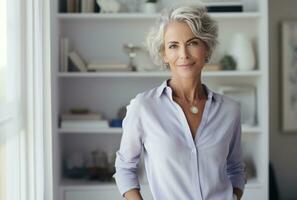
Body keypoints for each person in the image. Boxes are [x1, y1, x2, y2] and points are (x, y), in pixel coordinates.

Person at [113, 3, 245, 200]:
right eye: (173, 46)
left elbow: (236, 168)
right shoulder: (144, 107)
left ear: (206, 49)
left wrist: (234, 196)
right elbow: (124, 169)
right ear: (164, 54)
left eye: (192, 43)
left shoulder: (230, 110)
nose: (183, 54)